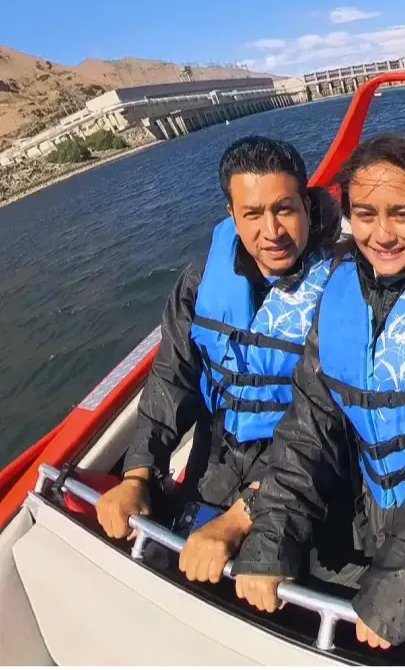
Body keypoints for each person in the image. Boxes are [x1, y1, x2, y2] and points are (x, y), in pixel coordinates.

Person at [229, 134, 405, 665]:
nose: (381, 234)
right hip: (368, 515)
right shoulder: (337, 294)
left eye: (403, 214)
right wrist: (272, 537)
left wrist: (401, 581)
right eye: (364, 214)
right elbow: (307, 427)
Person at [95, 135, 340, 588]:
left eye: (284, 208)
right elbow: (172, 378)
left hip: (303, 474)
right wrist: (136, 474)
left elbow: (326, 426)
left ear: (306, 205)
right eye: (252, 214)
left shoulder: (342, 292)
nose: (272, 231)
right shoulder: (199, 282)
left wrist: (243, 515)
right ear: (232, 215)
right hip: (219, 450)